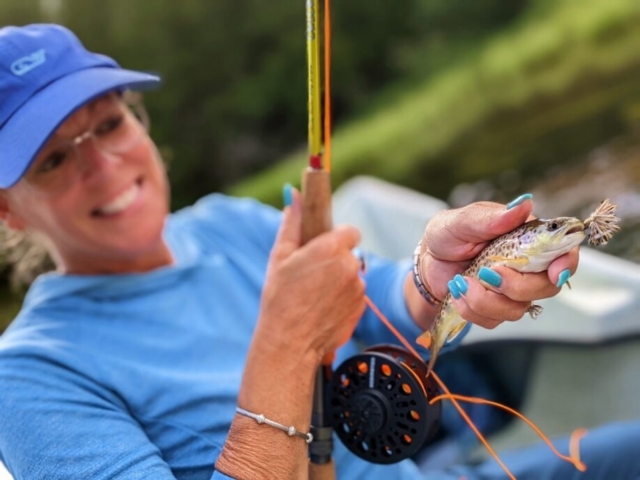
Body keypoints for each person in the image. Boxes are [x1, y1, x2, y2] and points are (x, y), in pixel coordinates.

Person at [0, 23, 637, 480]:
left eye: (109, 123)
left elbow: (383, 299)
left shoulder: (228, 224)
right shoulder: (29, 374)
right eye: (53, 158)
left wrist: (435, 279)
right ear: (8, 209)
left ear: (138, 121)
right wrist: (286, 342)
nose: (103, 165)